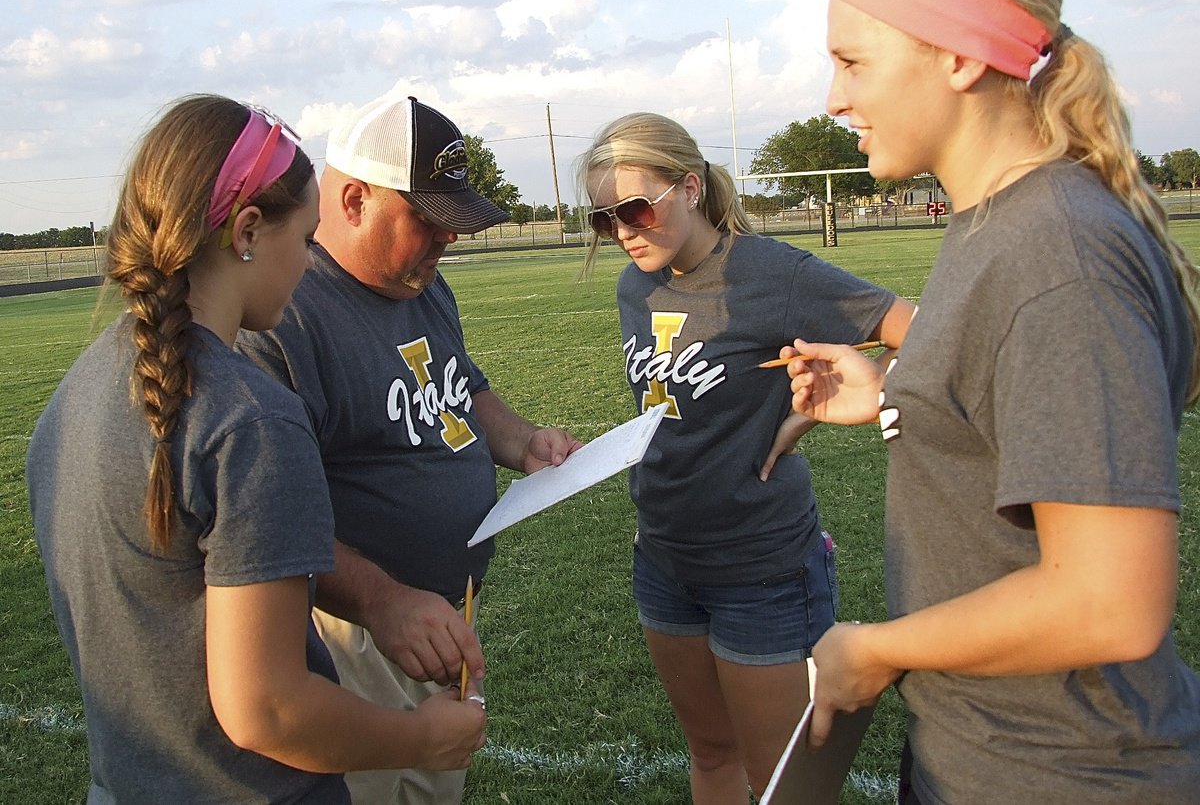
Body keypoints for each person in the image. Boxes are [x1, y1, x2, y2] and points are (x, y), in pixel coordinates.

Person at [778, 0, 1200, 803]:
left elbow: (1109, 599)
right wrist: (901, 391)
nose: (832, 98)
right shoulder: (1000, 222)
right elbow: (1027, 398)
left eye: (852, 61)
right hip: (986, 755)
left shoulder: (1055, 250)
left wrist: (875, 647)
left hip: (1061, 772)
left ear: (960, 58)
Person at [25, 96, 486, 804]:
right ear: (246, 231)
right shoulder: (249, 420)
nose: (309, 264)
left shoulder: (74, 395)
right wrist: (422, 737)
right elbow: (266, 708)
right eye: (304, 240)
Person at [237, 93, 582, 805]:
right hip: (356, 631)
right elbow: (264, 523)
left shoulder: (421, 282)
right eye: (426, 219)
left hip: (438, 615)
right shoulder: (286, 314)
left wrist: (520, 439)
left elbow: (460, 383)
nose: (445, 240)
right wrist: (383, 599)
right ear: (355, 199)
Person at [575, 112, 914, 802]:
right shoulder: (632, 288)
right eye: (603, 219)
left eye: (635, 208)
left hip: (760, 569)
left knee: (783, 787)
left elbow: (925, 330)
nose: (623, 231)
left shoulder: (771, 272)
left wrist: (815, 416)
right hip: (664, 562)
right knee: (711, 754)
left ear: (691, 187)